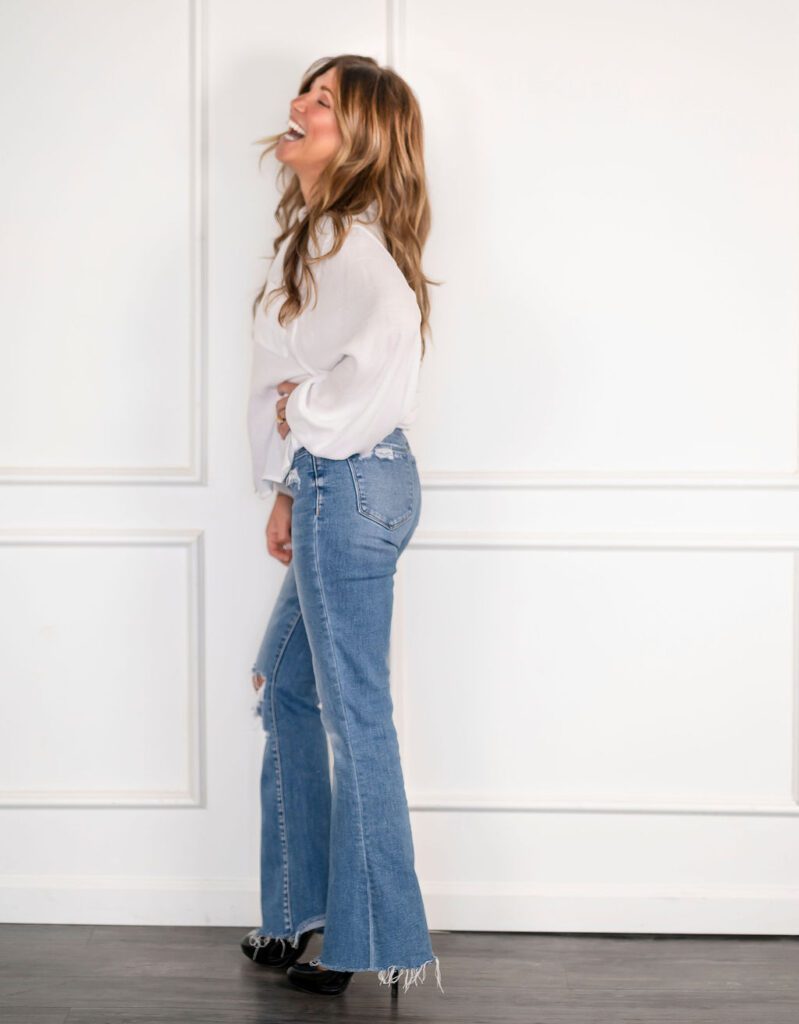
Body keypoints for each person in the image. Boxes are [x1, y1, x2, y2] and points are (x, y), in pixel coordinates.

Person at [240, 55, 444, 999]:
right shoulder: (320, 234)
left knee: (355, 712)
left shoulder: (350, 245)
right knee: (287, 684)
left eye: (323, 101)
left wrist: (302, 413)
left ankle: (373, 941)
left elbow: (382, 356)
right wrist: (289, 483)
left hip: (353, 482)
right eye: (305, 90)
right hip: (343, 482)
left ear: (360, 136)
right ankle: (298, 914)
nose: (299, 104)